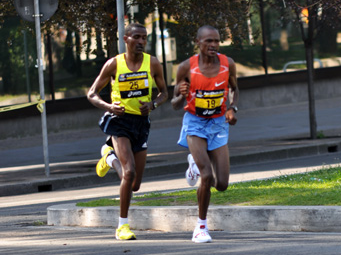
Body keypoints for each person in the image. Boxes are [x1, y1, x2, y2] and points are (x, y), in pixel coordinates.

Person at [87, 23, 168, 241]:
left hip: (141, 124)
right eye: (137, 37)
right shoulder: (114, 64)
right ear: (126, 39)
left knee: (134, 185)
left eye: (144, 38)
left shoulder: (153, 63)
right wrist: (109, 107)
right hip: (119, 121)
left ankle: (108, 156)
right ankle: (122, 226)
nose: (141, 41)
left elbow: (164, 93)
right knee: (129, 171)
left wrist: (152, 105)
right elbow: (92, 94)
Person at [172, 25, 239, 243]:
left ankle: (193, 165)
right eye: (208, 41)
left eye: (217, 41)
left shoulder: (227, 64)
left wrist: (232, 108)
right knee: (207, 175)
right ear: (198, 42)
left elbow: (234, 89)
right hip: (195, 123)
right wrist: (181, 96)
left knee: (222, 184)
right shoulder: (185, 67)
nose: (213, 45)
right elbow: (174, 103)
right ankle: (200, 227)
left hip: (218, 124)